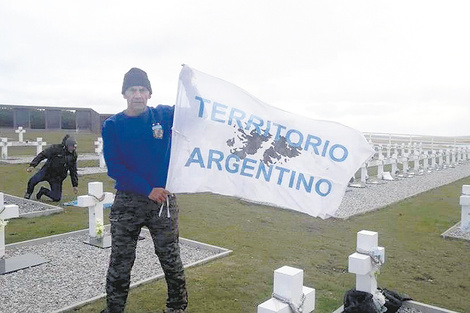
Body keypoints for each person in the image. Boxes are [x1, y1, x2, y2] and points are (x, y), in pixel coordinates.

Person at [101, 68, 187, 313]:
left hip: (164, 201)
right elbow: (115, 167)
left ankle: (177, 307)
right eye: (132, 90)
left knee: (170, 258)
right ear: (124, 94)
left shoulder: (163, 115)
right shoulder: (113, 125)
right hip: (129, 200)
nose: (137, 95)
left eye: (142, 90)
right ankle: (114, 309)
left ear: (149, 93)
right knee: (120, 261)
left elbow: (193, 110)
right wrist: (147, 189)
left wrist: (190, 84)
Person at [24, 134, 78, 201]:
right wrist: (33, 165)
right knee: (33, 181)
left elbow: (73, 170)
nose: (73, 149)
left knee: (56, 198)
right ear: (67, 145)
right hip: (47, 171)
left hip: (57, 177)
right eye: (72, 147)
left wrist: (75, 185)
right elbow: (42, 155)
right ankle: (28, 193)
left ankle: (43, 191)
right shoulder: (55, 148)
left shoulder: (73, 156)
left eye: (75, 147)